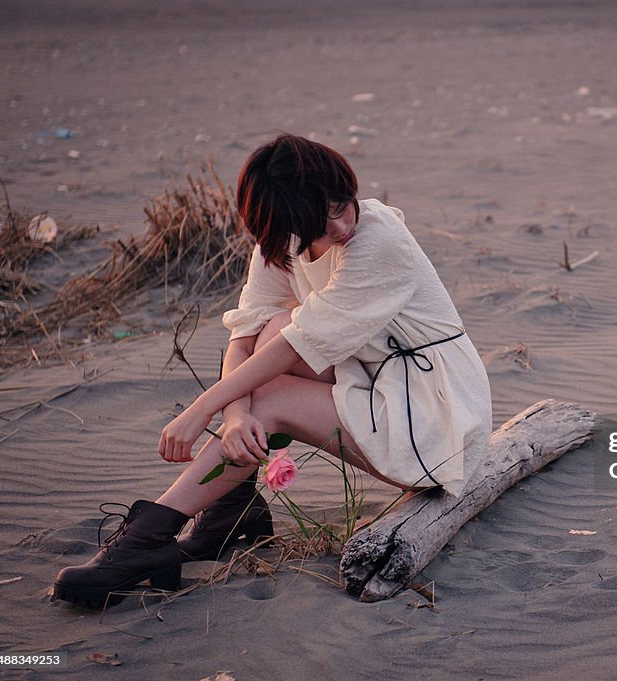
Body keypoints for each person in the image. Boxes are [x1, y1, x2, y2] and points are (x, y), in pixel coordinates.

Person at [53, 133, 493, 607]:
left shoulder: (378, 239)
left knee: (275, 381)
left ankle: (147, 541)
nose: (343, 225)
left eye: (342, 204)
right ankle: (225, 513)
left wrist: (206, 407)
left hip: (437, 415)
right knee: (271, 331)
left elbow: (289, 350)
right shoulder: (280, 245)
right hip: (375, 379)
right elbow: (243, 338)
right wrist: (236, 416)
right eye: (321, 222)